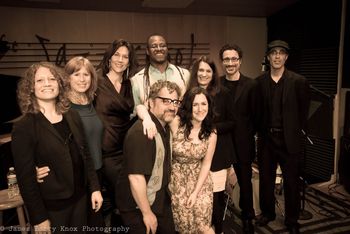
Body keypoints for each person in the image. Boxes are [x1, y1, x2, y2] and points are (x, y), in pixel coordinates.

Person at [11, 62, 103, 233]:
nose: (47, 83)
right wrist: (39, 218)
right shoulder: (24, 126)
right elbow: (25, 179)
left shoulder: (72, 115)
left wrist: (95, 189)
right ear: (30, 87)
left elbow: (86, 155)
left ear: (60, 84)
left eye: (52, 79)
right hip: (52, 208)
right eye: (40, 80)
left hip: (81, 200)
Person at [36, 56, 105, 229]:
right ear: (66, 78)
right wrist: (34, 168)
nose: (82, 79)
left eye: (86, 74)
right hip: (78, 179)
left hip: (97, 173)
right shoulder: (62, 106)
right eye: (76, 74)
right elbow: (43, 138)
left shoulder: (92, 101)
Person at [255, 40, 310, 234]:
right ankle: (268, 213)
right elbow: (257, 111)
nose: (277, 56)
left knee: (292, 182)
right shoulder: (259, 82)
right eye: (273, 53)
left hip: (289, 140)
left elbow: (304, 113)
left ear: (286, 57)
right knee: (266, 180)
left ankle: (292, 220)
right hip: (267, 139)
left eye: (281, 53)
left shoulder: (299, 81)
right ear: (268, 57)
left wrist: (294, 132)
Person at [116, 80, 181, 234]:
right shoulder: (143, 132)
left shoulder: (163, 126)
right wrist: (147, 213)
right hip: (138, 206)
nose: (172, 107)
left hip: (158, 199)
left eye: (175, 102)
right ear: (150, 103)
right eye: (165, 101)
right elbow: (136, 178)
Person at [187, 56, 234, 233]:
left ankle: (218, 229)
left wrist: (211, 128)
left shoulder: (224, 94)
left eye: (208, 70)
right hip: (195, 155)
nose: (204, 74)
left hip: (218, 156)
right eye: (201, 70)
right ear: (195, 72)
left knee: (216, 199)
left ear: (213, 73)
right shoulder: (189, 93)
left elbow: (232, 122)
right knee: (197, 198)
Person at [94, 39, 139, 226]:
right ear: (109, 58)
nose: (120, 60)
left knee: (125, 202)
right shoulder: (96, 81)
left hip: (126, 149)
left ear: (129, 61)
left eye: (125, 56)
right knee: (122, 200)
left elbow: (133, 114)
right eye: (117, 55)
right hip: (106, 151)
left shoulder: (129, 85)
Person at [219, 44, 259, 234]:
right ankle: (216, 218)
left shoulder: (251, 85)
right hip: (221, 143)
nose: (230, 63)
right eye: (226, 59)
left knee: (245, 183)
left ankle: (247, 218)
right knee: (217, 183)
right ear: (222, 62)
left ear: (240, 61)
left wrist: (250, 135)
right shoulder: (216, 84)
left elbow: (256, 115)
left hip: (243, 143)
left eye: (234, 59)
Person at [169, 87, 217, 234]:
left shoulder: (211, 132)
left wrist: (196, 192)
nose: (200, 109)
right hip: (177, 182)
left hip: (200, 183)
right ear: (189, 106)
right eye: (195, 104)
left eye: (204, 104)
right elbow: (144, 107)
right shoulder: (176, 123)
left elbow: (206, 163)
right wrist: (146, 119)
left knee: (203, 226)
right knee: (184, 227)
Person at [131, 33, 190, 138]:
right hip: (153, 135)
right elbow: (137, 110)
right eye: (154, 46)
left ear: (167, 49)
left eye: (162, 45)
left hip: (182, 135)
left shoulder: (184, 75)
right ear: (147, 51)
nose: (159, 48)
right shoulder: (137, 79)